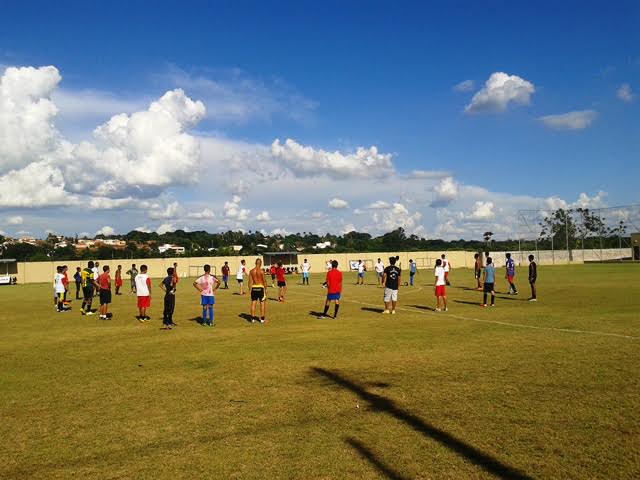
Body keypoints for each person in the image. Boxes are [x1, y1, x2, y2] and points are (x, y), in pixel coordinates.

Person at [248, 258, 268, 323]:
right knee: (262, 303)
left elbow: (250, 282)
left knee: (253, 303)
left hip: (254, 288)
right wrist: (266, 289)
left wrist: (250, 290)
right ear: (260, 263)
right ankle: (262, 319)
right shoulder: (261, 271)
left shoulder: (251, 271)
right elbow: (264, 281)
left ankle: (252, 319)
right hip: (260, 287)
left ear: (255, 263)